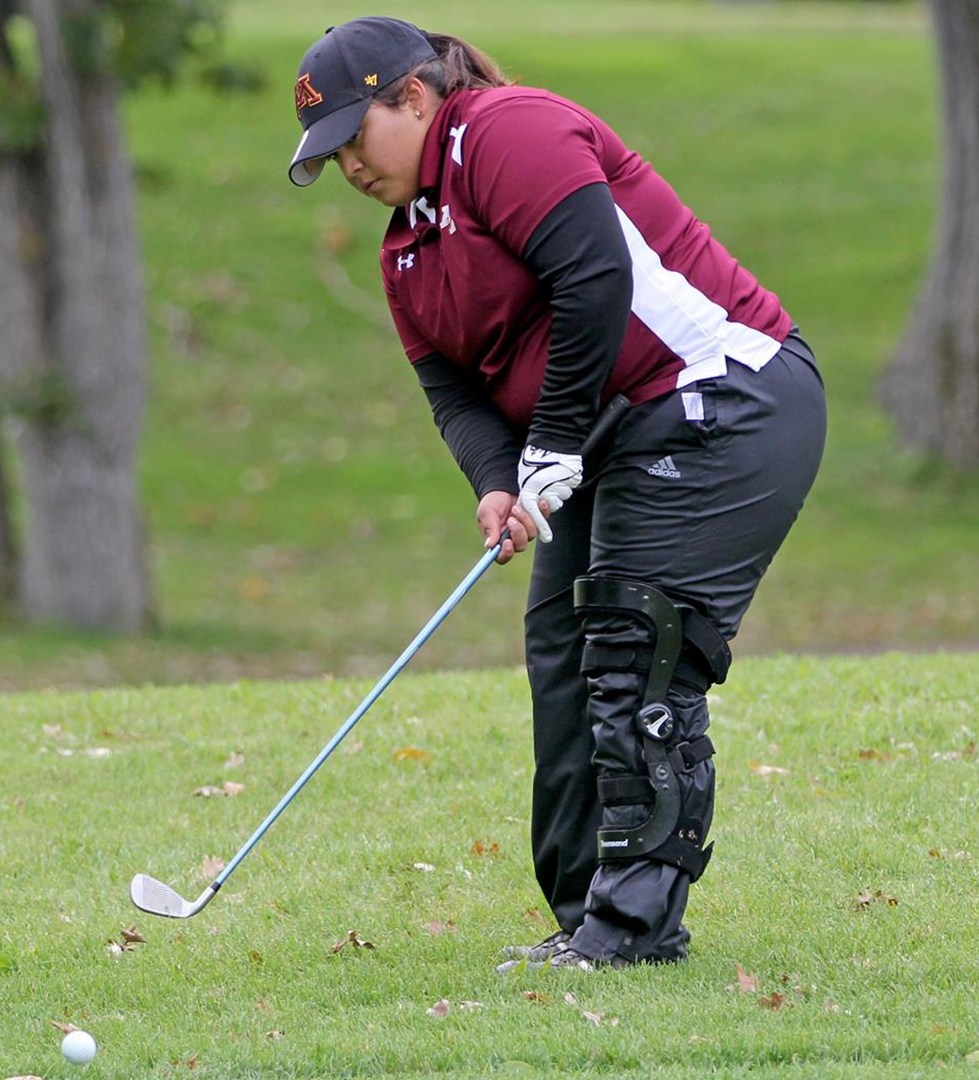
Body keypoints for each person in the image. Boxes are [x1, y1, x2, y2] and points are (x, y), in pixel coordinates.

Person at [287, 17, 826, 971]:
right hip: (612, 428)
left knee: (634, 650)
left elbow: (594, 280)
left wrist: (554, 443)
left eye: (352, 142)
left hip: (724, 394)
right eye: (330, 161)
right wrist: (501, 482)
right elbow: (453, 391)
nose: (350, 172)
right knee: (565, 651)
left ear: (412, 96)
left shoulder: (505, 130)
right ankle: (588, 917)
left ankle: (634, 933)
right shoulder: (404, 248)